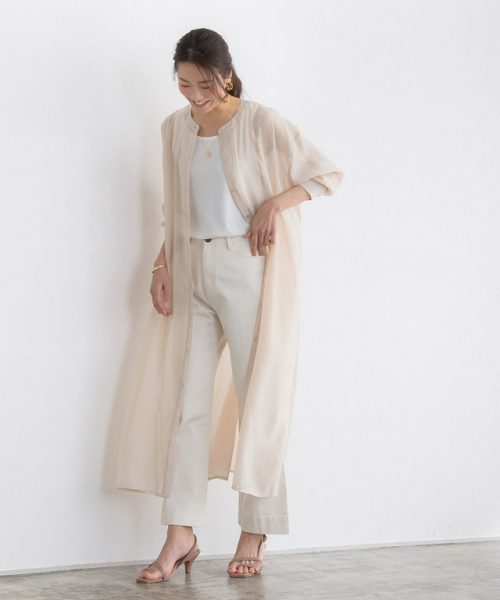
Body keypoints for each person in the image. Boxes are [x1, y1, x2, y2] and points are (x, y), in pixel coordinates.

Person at [116, 27, 343, 583]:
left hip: (247, 268)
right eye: (184, 84)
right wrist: (162, 266)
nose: (195, 96)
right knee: (186, 405)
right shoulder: (173, 129)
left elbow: (325, 174)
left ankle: (255, 528)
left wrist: (274, 203)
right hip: (191, 267)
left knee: (256, 398)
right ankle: (180, 533)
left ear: (226, 75)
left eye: (205, 84)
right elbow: (176, 208)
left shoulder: (261, 122)